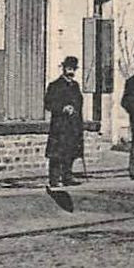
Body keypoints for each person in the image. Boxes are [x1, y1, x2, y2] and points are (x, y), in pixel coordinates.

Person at [44, 55, 85, 188]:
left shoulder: (75, 86)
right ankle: (54, 178)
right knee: (57, 153)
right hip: (60, 126)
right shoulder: (55, 85)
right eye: (68, 68)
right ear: (63, 69)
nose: (71, 72)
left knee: (71, 151)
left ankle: (68, 175)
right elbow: (48, 104)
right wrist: (63, 108)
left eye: (73, 69)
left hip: (73, 125)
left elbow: (79, 104)